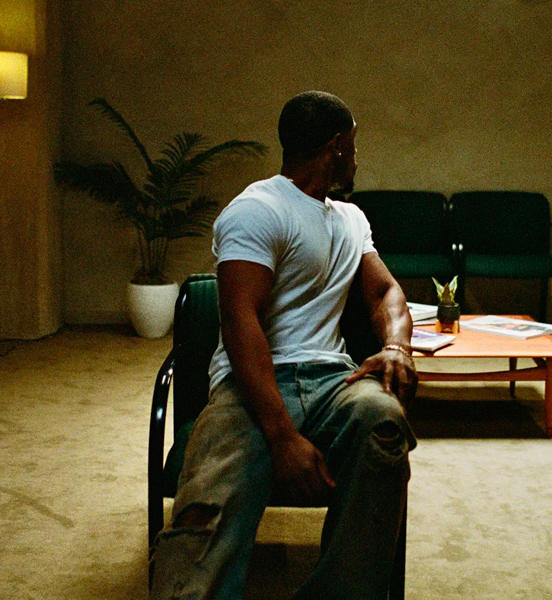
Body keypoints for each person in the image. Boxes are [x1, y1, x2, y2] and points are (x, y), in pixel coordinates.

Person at [150, 91, 418, 600]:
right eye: (354, 145)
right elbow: (240, 320)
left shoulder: (351, 219)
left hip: (333, 380)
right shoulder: (257, 209)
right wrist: (281, 437)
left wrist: (397, 348)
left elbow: (385, 291)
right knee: (208, 504)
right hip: (250, 386)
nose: (357, 157)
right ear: (337, 147)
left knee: (384, 423)